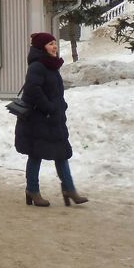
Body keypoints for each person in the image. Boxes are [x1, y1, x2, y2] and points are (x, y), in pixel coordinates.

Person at [15, 32, 88, 208]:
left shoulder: (51, 66)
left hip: (53, 119)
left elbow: (53, 91)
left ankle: (69, 190)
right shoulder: (37, 66)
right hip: (39, 119)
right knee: (36, 154)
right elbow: (33, 91)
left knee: (61, 153)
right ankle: (32, 190)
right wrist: (49, 108)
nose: (54, 46)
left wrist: (61, 106)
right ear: (41, 47)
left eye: (55, 43)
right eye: (50, 44)